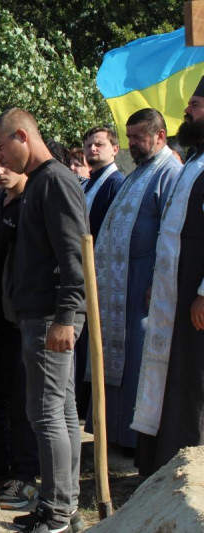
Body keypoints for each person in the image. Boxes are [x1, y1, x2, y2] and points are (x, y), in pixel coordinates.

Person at [0, 108, 88, 533]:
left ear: (21, 136)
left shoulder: (54, 181)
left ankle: (58, 513)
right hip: (40, 313)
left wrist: (67, 315)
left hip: (50, 315)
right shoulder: (41, 183)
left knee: (46, 414)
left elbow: (74, 256)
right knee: (61, 412)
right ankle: (62, 505)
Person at [85, 109, 181, 453]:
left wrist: (158, 279)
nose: (132, 145)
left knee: (139, 359)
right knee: (119, 359)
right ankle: (115, 433)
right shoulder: (138, 173)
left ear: (160, 136)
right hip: (120, 283)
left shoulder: (170, 173)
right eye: (130, 138)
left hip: (144, 283)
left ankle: (135, 439)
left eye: (139, 138)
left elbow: (171, 232)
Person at [132, 78, 204, 476]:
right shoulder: (193, 161)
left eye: (195, 104)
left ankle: (187, 471)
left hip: (195, 299)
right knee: (169, 381)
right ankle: (161, 467)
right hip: (172, 298)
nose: (187, 111)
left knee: (191, 384)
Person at [0, 146, 40, 510]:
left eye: (5, 164)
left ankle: (26, 477)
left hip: (20, 319)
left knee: (22, 402)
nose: (0, 171)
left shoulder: (29, 205)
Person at [76, 126, 126, 418]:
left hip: (101, 277)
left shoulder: (116, 183)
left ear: (114, 149)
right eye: (88, 145)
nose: (92, 149)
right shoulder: (87, 183)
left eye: (99, 144)